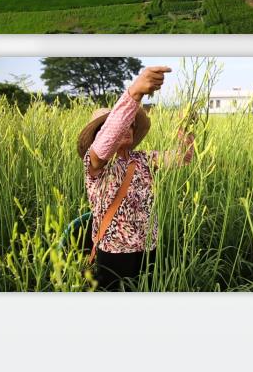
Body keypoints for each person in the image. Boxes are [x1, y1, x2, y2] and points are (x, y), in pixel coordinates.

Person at [76, 64, 194, 291]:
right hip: (114, 253)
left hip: (149, 246)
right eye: (123, 123)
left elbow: (183, 158)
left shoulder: (144, 159)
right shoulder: (96, 164)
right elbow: (108, 137)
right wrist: (136, 92)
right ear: (101, 134)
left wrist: (185, 127)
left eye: (131, 124)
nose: (127, 127)